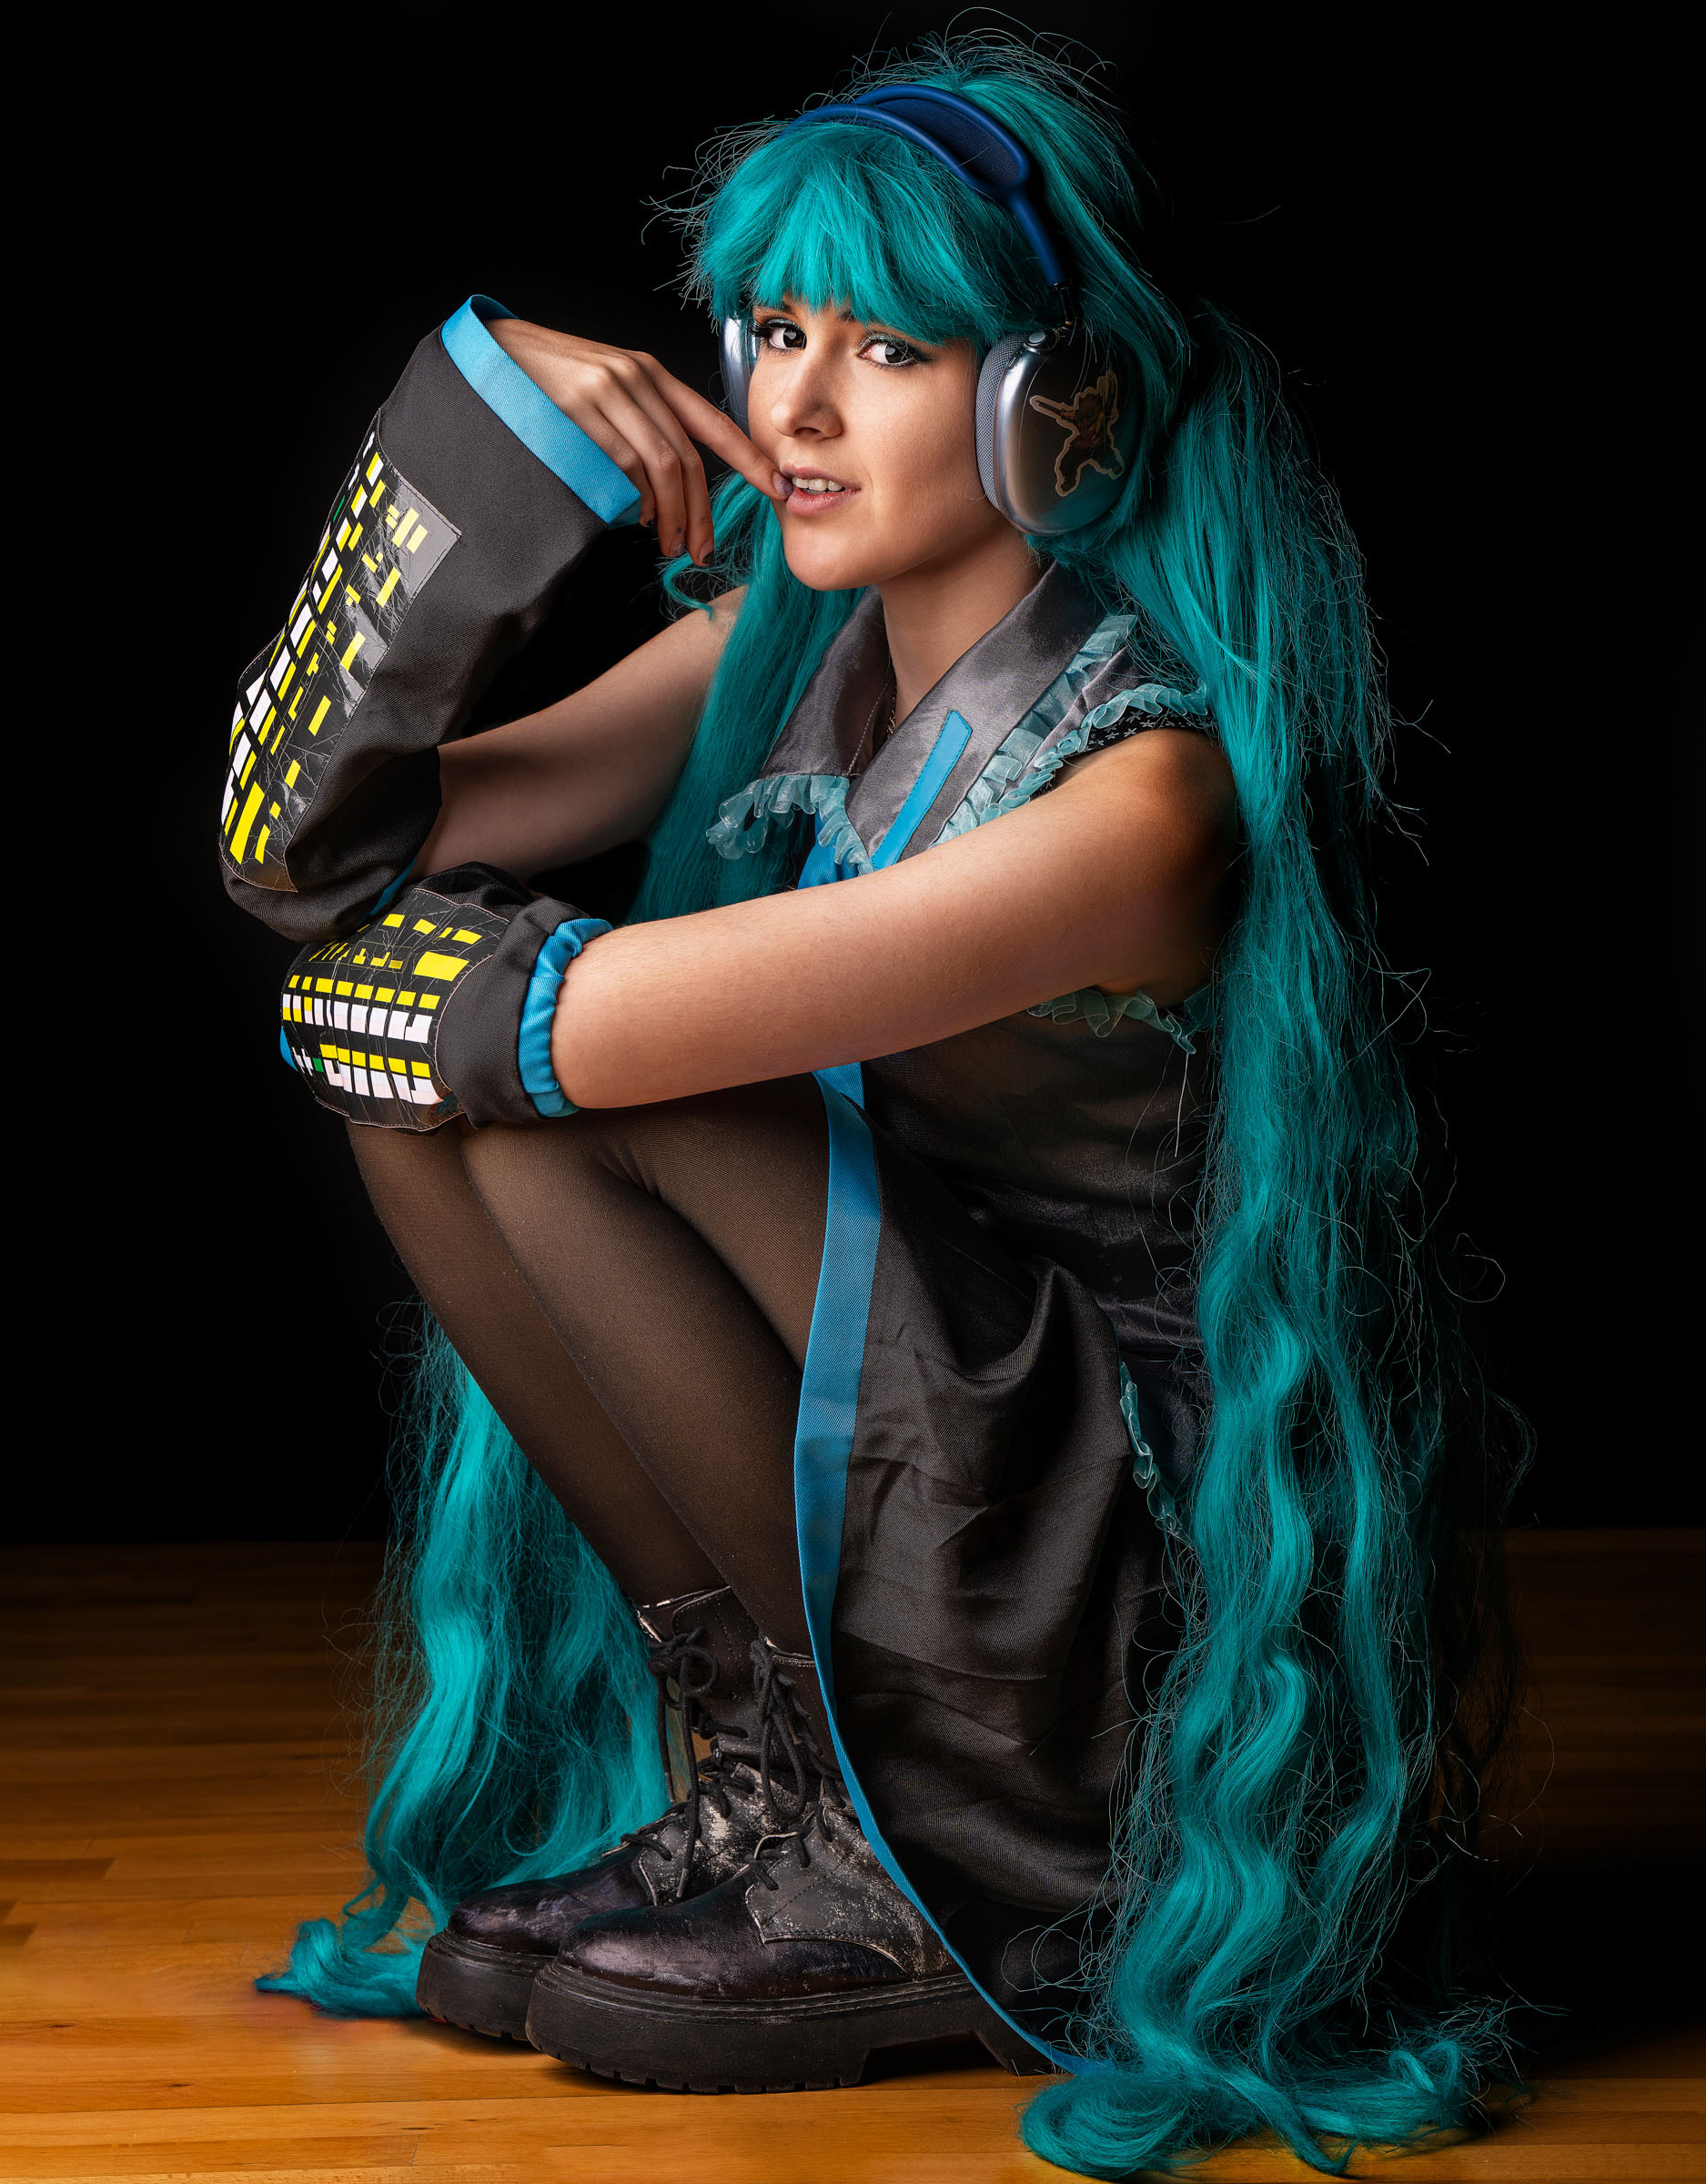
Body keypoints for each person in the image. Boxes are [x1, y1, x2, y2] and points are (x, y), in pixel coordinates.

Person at [227, 39, 1519, 2176]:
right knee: (442, 1110)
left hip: (1101, 1612)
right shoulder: (774, 648)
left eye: (892, 348)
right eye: (779, 334)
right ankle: (777, 1791)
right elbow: (304, 864)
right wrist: (478, 430)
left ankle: (917, 1857)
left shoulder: (1135, 800)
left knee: (541, 1098)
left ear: (1050, 400)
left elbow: (546, 1038)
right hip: (924, 1465)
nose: (796, 409)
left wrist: (398, 1006)